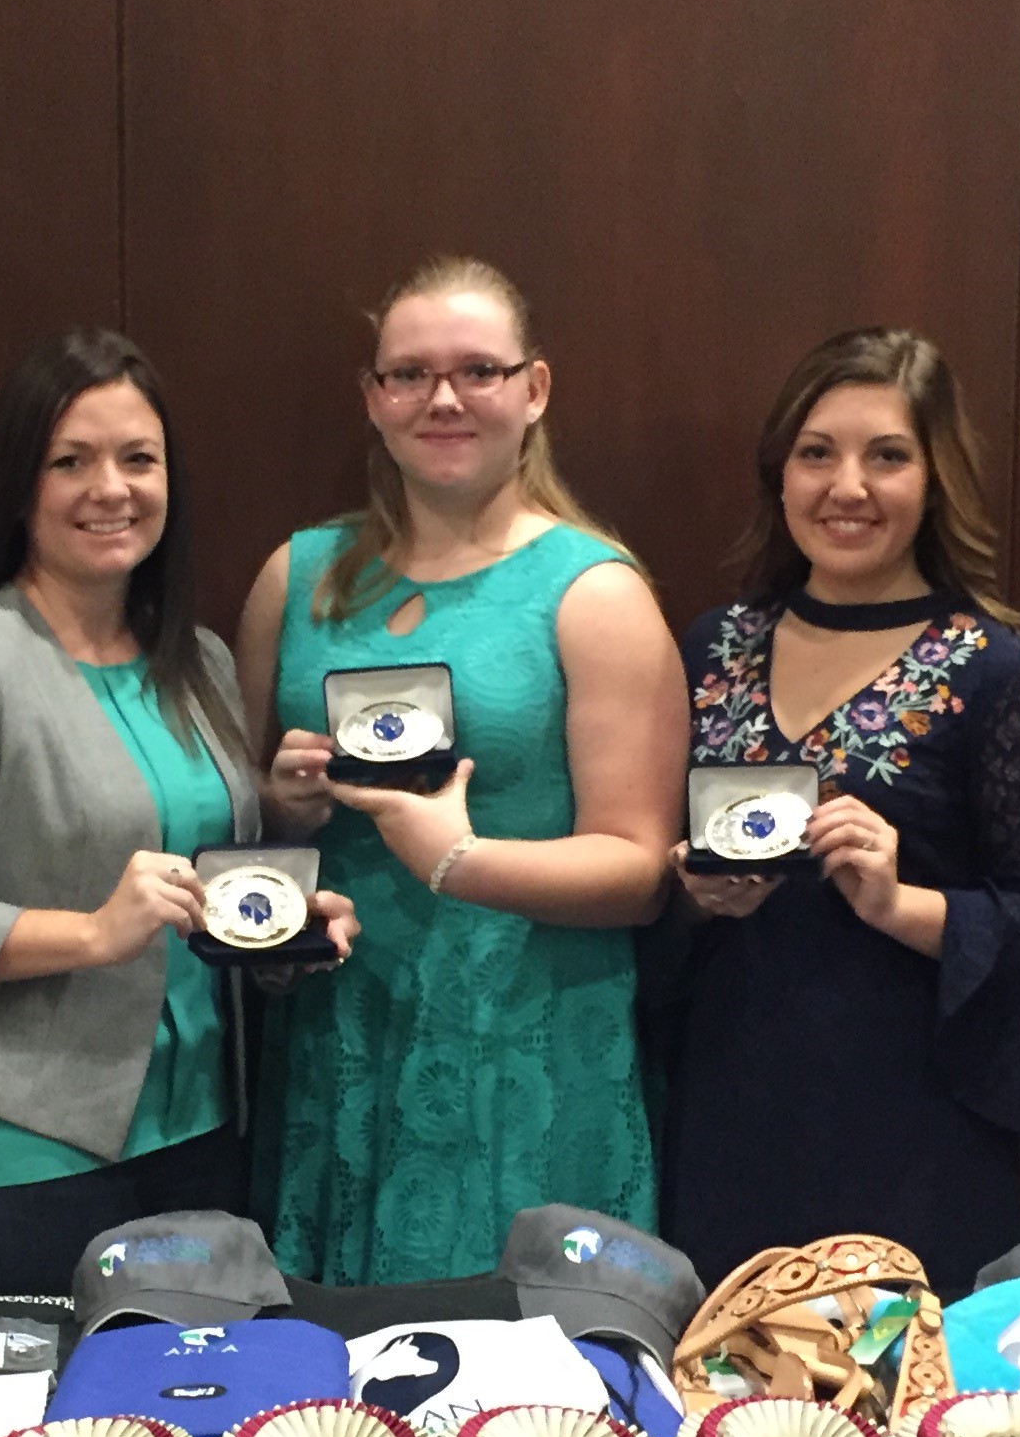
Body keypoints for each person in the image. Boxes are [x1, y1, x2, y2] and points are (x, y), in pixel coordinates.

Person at [0, 331, 354, 1296]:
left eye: (137, 459)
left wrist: (285, 925)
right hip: (21, 1160)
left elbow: (199, 887)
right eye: (69, 460)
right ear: (18, 485)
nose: (108, 488)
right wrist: (91, 932)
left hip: (203, 1144)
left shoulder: (194, 658)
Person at [240, 254, 686, 1282]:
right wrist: (284, 805)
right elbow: (243, 819)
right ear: (373, 398)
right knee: (327, 1408)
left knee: (522, 1409)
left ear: (534, 391)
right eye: (410, 374)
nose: (444, 398)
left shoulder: (594, 591)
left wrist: (459, 859)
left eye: (479, 370)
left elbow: (638, 869)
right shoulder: (294, 577)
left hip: (522, 1041)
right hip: (339, 1032)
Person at [659, 329, 1020, 1289]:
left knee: (894, 1420)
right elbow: (645, 865)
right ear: (779, 475)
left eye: (886, 456)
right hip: (728, 1100)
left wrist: (905, 908)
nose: (846, 487)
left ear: (936, 479)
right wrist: (692, 895)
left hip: (912, 1123)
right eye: (817, 453)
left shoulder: (993, 669)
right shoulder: (712, 647)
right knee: (725, 1408)